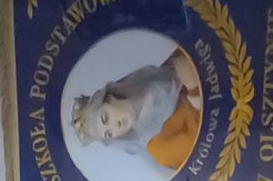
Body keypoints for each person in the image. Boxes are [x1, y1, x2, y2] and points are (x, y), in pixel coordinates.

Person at [72, 46, 202, 173]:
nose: (116, 126)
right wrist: (194, 91)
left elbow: (192, 55)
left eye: (106, 117)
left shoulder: (152, 79)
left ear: (109, 98)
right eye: (109, 133)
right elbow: (203, 147)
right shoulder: (159, 147)